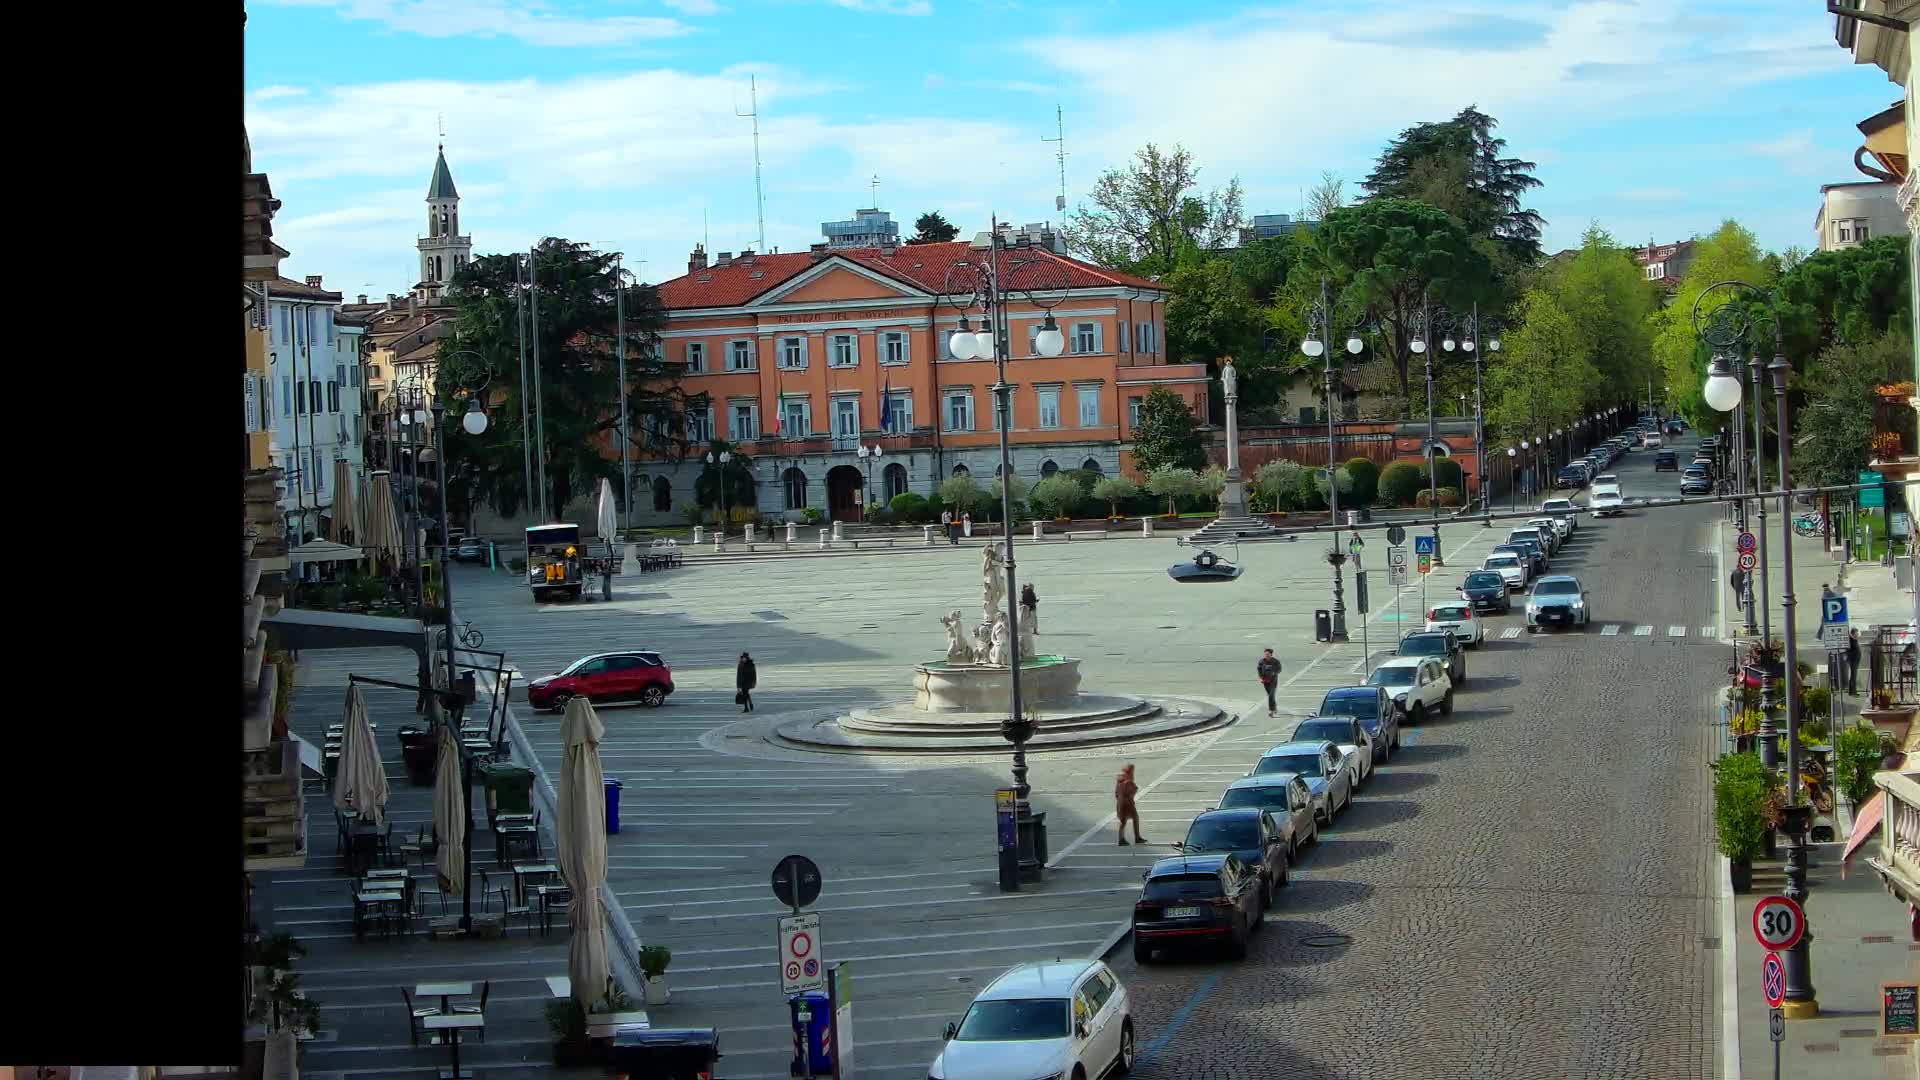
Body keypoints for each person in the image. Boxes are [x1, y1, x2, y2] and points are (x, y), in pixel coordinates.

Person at [1114, 764, 1145, 846]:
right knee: (1131, 819)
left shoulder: (1120, 781)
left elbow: (1116, 794)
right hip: (1127, 803)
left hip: (1121, 803)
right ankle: (1134, 838)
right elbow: (1132, 790)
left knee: (1126, 820)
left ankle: (1124, 838)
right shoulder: (1128, 781)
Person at [1257, 648, 1281, 716]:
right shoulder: (1261, 661)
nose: (1266, 655)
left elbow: (1279, 669)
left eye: (1268, 654)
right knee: (1270, 695)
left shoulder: (1275, 661)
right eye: (1265, 654)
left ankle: (1271, 710)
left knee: (1271, 695)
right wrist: (1261, 678)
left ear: (1271, 654)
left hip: (1273, 680)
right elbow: (1259, 670)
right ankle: (1274, 707)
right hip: (1265, 680)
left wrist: (1274, 673)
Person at [1846, 628, 1861, 695]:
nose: (1857, 634)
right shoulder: (1850, 640)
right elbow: (1848, 651)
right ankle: (1852, 691)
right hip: (1853, 660)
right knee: (1853, 675)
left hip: (1855, 660)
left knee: (1854, 675)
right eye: (1856, 633)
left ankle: (1852, 691)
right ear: (1853, 633)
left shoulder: (1854, 640)